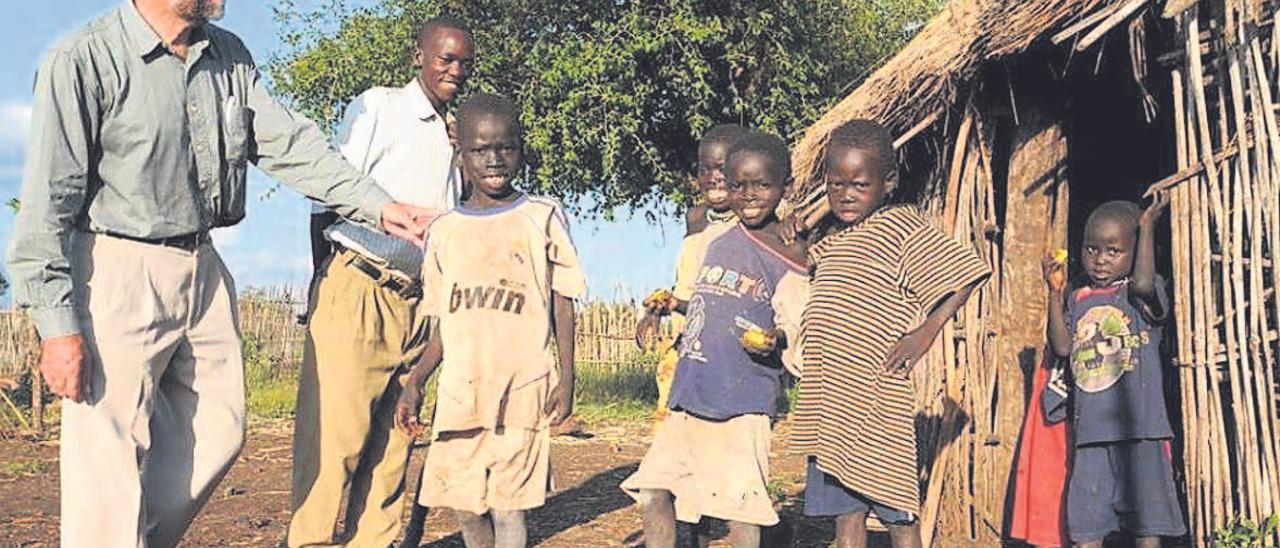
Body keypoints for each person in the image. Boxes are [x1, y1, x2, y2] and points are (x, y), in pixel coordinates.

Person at [4, 1, 435, 546]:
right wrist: (57, 326)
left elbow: (290, 145)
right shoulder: (85, 59)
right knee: (106, 453)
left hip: (202, 264)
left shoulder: (227, 55)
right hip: (116, 266)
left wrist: (378, 206)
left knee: (220, 430)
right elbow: (47, 203)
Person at [287, 16, 474, 548]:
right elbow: (328, 195)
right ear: (419, 56)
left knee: (395, 443)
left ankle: (373, 540)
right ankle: (310, 540)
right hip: (359, 282)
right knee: (334, 440)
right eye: (445, 59)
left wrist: (461, 150)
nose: (454, 71)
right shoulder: (381, 108)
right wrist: (325, 279)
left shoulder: (460, 133)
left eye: (464, 62)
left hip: (419, 302)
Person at [393, 93, 585, 548]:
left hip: (523, 387)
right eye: (481, 150)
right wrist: (418, 378)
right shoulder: (444, 231)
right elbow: (444, 320)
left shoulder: (541, 217)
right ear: (461, 155)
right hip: (462, 392)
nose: (495, 159)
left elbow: (563, 300)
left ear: (520, 149)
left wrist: (569, 376)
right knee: (465, 504)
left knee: (508, 506)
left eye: (506, 148)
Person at [791, 120, 990, 548]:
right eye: (836, 183)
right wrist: (793, 232)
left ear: (889, 182)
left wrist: (927, 331)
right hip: (833, 403)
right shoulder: (832, 241)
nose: (845, 194)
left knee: (899, 514)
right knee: (846, 519)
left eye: (859, 184)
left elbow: (968, 273)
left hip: (879, 400)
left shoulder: (902, 228)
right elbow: (793, 265)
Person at [621, 131, 808, 548]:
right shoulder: (719, 242)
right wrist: (666, 308)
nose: (749, 195)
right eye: (739, 185)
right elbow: (706, 305)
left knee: (740, 511)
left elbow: (799, 330)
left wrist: (776, 340)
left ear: (785, 187)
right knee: (654, 490)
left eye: (762, 184)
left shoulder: (790, 257)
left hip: (743, 406)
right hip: (690, 396)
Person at [1043, 197, 1185, 548]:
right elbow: (1062, 347)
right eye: (1092, 249)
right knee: (1087, 527)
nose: (1100, 260)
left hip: (1141, 429)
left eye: (1114, 251)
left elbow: (1142, 284)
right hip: (1091, 432)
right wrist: (1055, 293)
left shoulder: (1140, 297)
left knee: (1146, 526)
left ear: (1133, 254)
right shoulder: (1079, 297)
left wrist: (1147, 227)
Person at [635, 123, 747, 424]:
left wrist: (681, 305)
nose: (714, 177)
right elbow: (686, 282)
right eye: (705, 169)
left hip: (728, 351)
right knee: (671, 416)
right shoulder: (695, 218)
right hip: (686, 341)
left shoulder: (753, 227)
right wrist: (657, 311)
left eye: (723, 168)